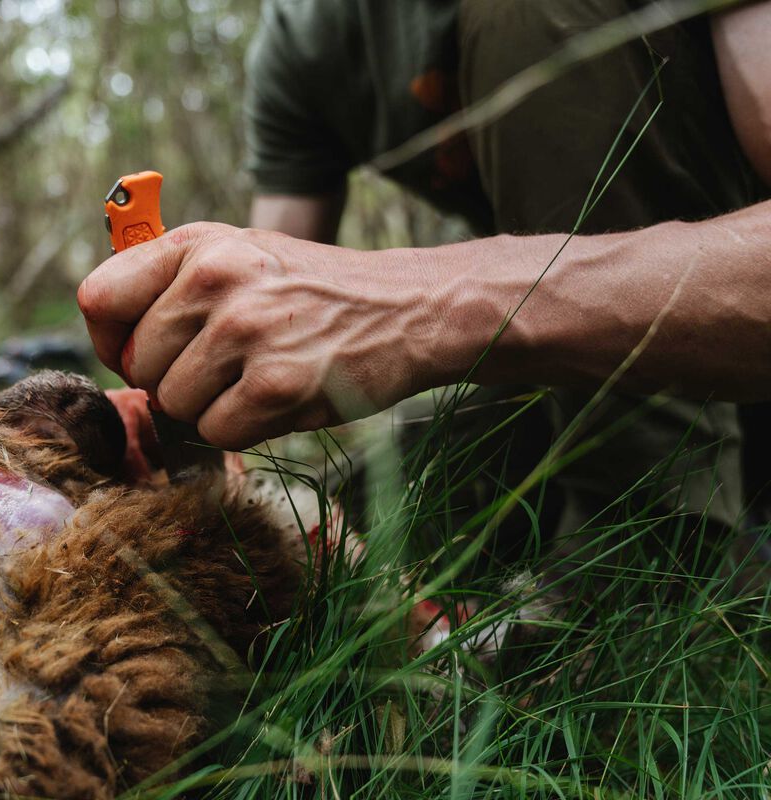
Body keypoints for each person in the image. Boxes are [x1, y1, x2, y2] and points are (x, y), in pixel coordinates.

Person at [80, 0, 771, 542]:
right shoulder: (303, 42)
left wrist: (428, 307)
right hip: (560, 374)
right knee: (331, 529)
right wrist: (207, 340)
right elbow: (260, 317)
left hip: (735, 366)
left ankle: (665, 563)